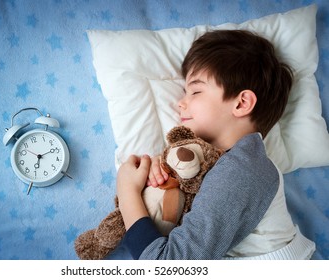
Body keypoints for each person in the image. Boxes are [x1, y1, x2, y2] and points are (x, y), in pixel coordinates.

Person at [115, 30, 316, 259]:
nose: (181, 103)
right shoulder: (233, 164)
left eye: (196, 91)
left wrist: (127, 192)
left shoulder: (241, 170)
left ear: (241, 103)